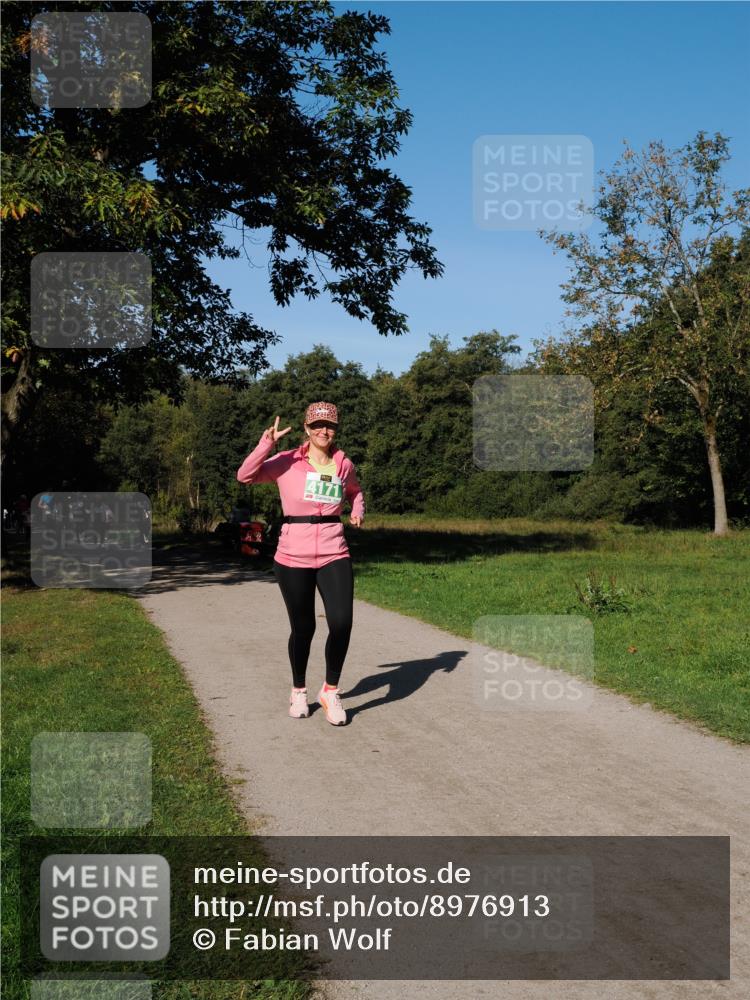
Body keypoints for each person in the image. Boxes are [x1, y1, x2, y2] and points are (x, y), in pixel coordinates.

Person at [236, 402, 365, 726]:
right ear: (307, 428)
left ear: (336, 430)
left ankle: (330, 691)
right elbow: (245, 475)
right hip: (293, 555)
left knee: (342, 623)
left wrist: (357, 509)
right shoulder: (287, 461)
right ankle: (298, 690)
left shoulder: (343, 464)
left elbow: (354, 491)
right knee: (304, 627)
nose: (324, 430)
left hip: (334, 551)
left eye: (330, 425)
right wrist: (266, 444)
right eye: (317, 425)